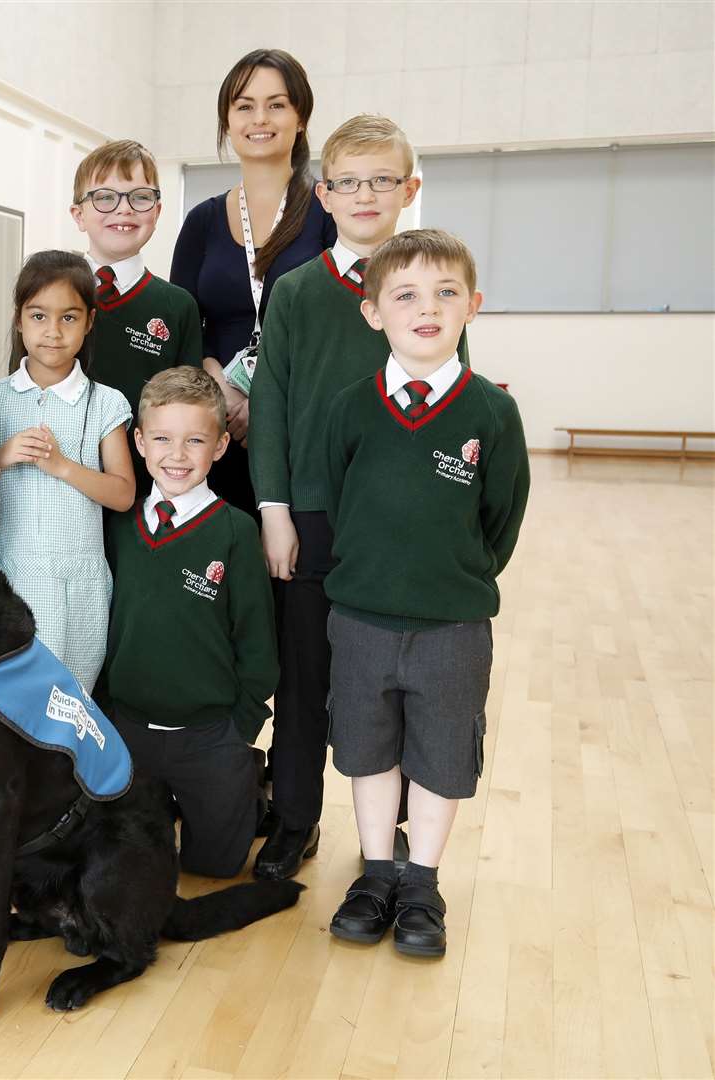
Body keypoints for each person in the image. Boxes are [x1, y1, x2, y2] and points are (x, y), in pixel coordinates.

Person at [322, 229, 529, 957]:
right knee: (367, 751)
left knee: (443, 755)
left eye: (446, 292)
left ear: (472, 305)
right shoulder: (350, 408)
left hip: (452, 624)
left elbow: (500, 521)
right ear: (374, 311)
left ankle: (422, 882)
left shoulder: (492, 415)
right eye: (405, 294)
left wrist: (454, 577)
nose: (427, 307)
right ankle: (377, 872)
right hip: (361, 619)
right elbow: (338, 500)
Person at [245, 114, 424, 881]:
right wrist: (276, 511)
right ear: (323, 194)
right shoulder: (293, 292)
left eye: (382, 179)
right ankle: (293, 820)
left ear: (408, 190)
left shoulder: (427, 286)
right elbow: (273, 405)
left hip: (398, 526)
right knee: (304, 681)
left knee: (395, 685)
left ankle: (398, 833)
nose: (365, 194)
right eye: (348, 181)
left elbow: (454, 400)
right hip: (310, 519)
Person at [97, 367, 276, 879]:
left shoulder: (237, 532)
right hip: (128, 728)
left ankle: (245, 779)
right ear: (139, 441)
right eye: (162, 439)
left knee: (214, 867)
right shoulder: (119, 525)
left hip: (210, 733)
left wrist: (240, 728)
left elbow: (258, 644)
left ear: (220, 446)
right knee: (130, 863)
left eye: (194, 440)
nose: (177, 456)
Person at [169, 48, 337, 518]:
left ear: (300, 117)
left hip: (296, 421)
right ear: (227, 120)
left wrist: (259, 396)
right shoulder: (202, 221)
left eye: (277, 104)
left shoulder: (327, 212)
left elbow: (332, 320)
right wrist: (223, 390)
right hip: (216, 425)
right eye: (244, 105)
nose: (259, 118)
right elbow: (185, 321)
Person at [0, 250, 135, 692]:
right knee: (10, 698)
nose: (52, 331)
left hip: (81, 581)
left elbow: (123, 493)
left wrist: (63, 466)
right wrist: (1, 456)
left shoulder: (105, 402)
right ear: (18, 320)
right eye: (39, 316)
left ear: (89, 322)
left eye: (69, 318)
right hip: (10, 576)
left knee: (72, 699)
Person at [70, 139, 201, 505]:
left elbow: (188, 409)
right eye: (104, 198)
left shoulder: (177, 305)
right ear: (78, 214)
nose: (123, 210)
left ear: (157, 211)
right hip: (62, 482)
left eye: (139, 198)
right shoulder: (54, 292)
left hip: (145, 492)